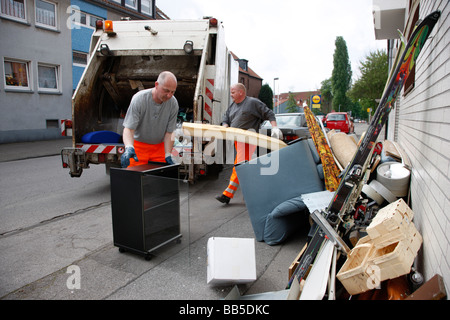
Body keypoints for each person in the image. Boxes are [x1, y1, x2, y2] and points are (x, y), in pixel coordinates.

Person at [215, 83, 282, 204]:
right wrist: (225, 126)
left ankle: (228, 194)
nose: (231, 94)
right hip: (238, 140)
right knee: (245, 167)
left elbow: (269, 113)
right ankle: (254, 193)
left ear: (241, 92)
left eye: (233, 92)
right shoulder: (232, 106)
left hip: (248, 140)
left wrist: (275, 128)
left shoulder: (252, 103)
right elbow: (226, 118)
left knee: (239, 166)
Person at [121, 71, 179, 168]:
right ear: (156, 85)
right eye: (166, 90)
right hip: (139, 148)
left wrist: (168, 154)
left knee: (158, 181)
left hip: (159, 149)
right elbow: (129, 129)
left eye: (172, 92)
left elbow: (169, 132)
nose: (169, 95)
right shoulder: (139, 99)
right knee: (134, 179)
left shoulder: (173, 103)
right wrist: (129, 147)